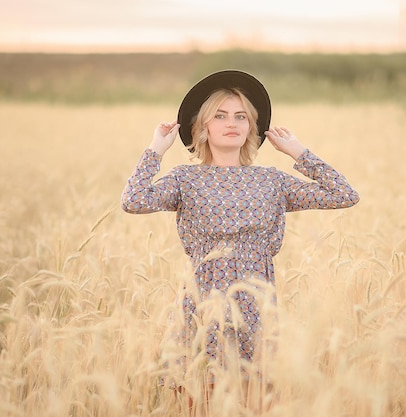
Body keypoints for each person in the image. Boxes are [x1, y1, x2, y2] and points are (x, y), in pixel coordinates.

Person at [121, 70, 359, 407]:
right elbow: (133, 201)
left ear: (252, 127)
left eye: (240, 116)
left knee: (256, 402)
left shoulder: (272, 182)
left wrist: (297, 152)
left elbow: (344, 194)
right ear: (202, 126)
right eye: (220, 116)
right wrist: (155, 151)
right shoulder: (185, 179)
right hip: (202, 305)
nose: (231, 123)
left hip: (256, 306)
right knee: (200, 401)